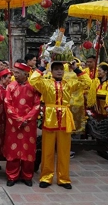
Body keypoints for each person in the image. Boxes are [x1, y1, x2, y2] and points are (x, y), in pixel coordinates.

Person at [30, 60, 91, 189]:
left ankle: (63, 178)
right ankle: (46, 177)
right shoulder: (45, 84)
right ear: (51, 71)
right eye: (56, 69)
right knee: (48, 150)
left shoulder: (69, 84)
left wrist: (76, 69)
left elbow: (87, 82)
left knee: (64, 150)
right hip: (50, 118)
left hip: (64, 118)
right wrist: (41, 66)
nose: (59, 71)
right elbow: (33, 80)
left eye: (61, 69)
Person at [3, 61, 41, 187]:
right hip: (13, 124)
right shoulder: (10, 87)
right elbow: (7, 104)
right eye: (15, 72)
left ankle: (27, 175)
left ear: (25, 74)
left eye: (18, 73)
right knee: (13, 150)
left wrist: (27, 119)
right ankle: (12, 175)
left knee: (28, 151)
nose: (15, 75)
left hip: (29, 125)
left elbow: (37, 105)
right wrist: (19, 119)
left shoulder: (33, 87)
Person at [0, 68, 12, 174]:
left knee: (4, 141)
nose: (10, 79)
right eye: (8, 78)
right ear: (2, 78)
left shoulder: (9, 89)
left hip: (7, 121)